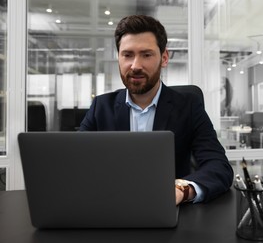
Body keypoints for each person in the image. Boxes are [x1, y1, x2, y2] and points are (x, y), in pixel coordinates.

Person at [79, 15, 233, 205]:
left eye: (146, 55)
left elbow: (218, 166)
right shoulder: (100, 107)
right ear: (118, 57)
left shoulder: (189, 106)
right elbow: (76, 164)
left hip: (170, 211)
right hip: (111, 208)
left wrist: (182, 190)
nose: (135, 65)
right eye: (127, 55)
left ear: (164, 57)